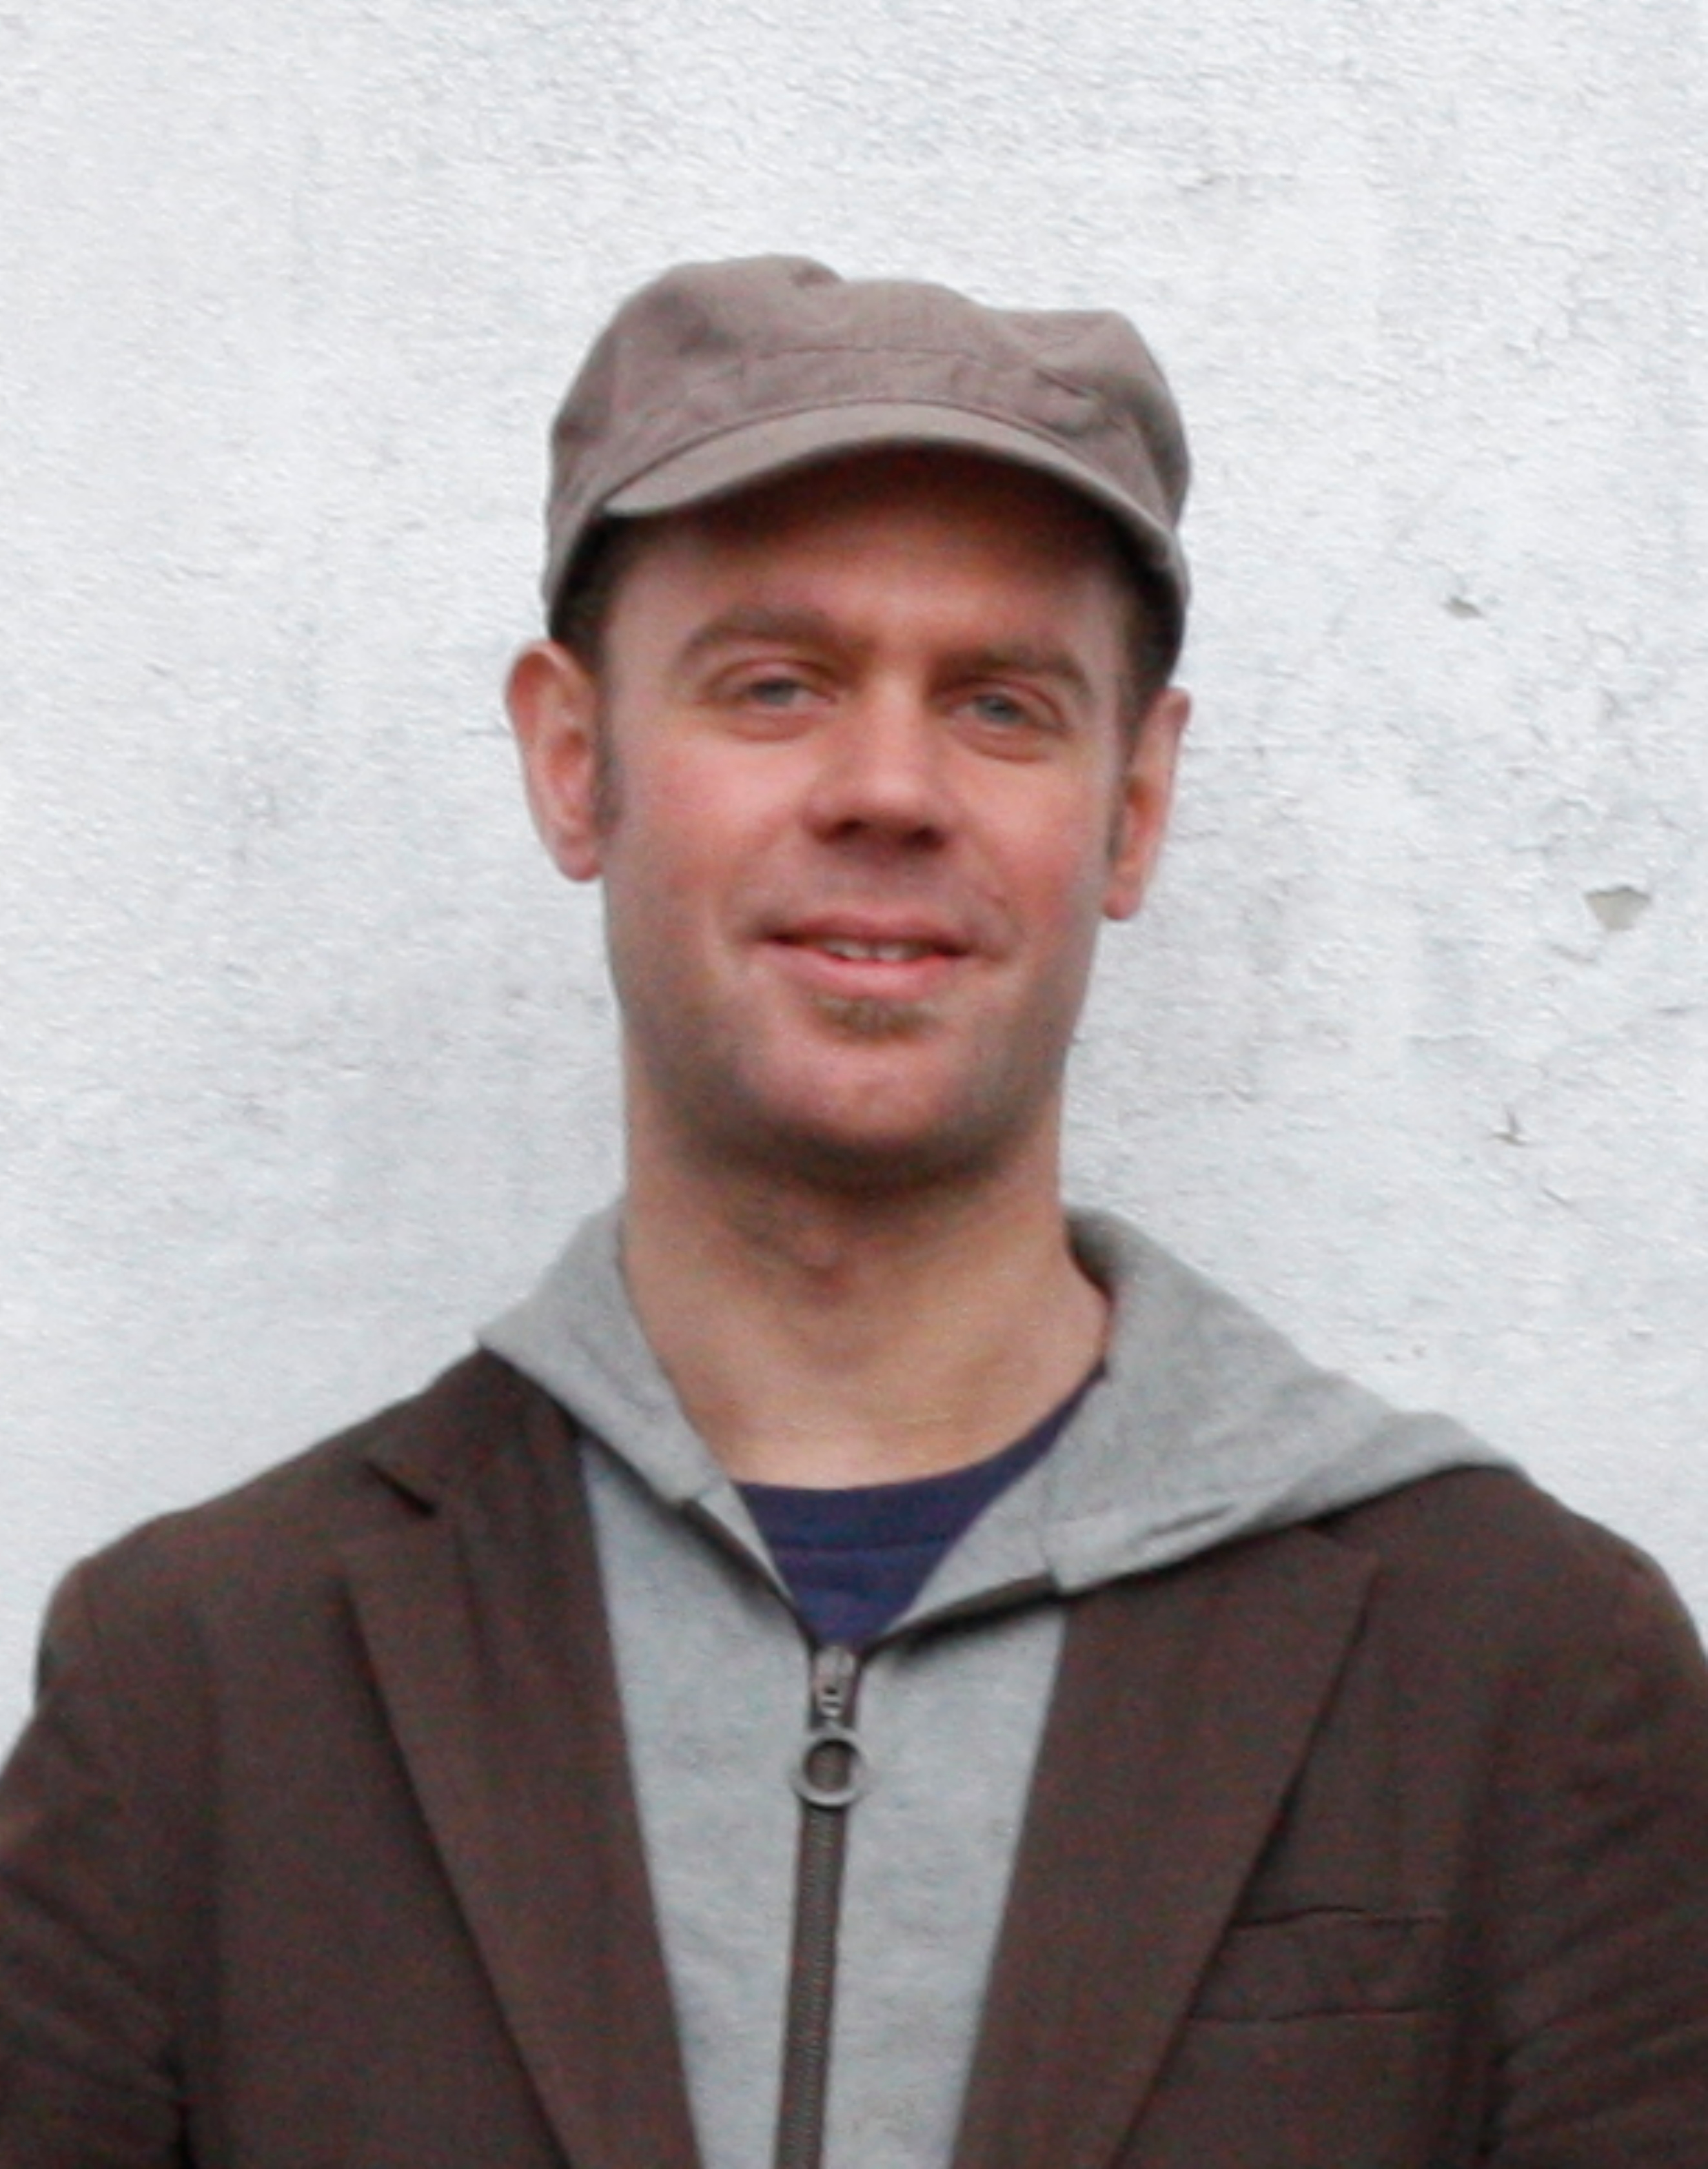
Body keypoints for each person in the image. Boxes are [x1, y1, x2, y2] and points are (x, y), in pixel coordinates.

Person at [2, 255, 1705, 2169]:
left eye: (1000, 704)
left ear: (1135, 805)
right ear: (573, 761)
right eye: (776, 686)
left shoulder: (1523, 1677)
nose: (888, 788)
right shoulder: (197, 1695)